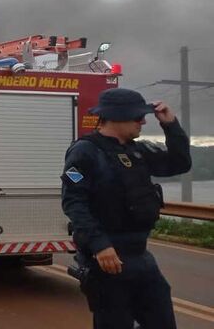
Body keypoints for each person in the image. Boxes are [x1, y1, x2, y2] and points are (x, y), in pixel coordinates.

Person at [61, 88, 191, 329]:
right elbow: (73, 202)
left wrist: (171, 125)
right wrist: (100, 246)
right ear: (116, 115)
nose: (143, 121)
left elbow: (180, 162)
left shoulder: (137, 150)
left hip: (141, 257)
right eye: (137, 117)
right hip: (107, 260)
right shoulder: (85, 152)